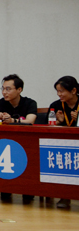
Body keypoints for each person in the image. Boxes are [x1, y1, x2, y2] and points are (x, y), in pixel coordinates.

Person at [0, 74, 37, 203]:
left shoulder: (30, 103)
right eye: (3, 89)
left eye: (8, 89)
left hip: (26, 144)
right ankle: (5, 188)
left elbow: (30, 121)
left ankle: (27, 190)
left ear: (19, 89)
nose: (4, 92)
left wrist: (13, 121)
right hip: (4, 143)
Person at [48, 75, 79, 208]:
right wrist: (58, 123)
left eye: (62, 91)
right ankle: (64, 196)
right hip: (63, 144)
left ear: (73, 90)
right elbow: (47, 127)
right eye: (57, 91)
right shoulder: (55, 106)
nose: (59, 94)